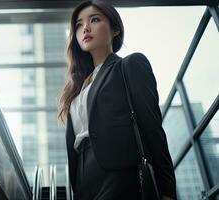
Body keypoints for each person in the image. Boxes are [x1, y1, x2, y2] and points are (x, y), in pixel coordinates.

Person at [57, 0, 176, 199]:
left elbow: (152, 127)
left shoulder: (129, 65)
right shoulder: (77, 87)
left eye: (94, 20)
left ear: (115, 30)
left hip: (121, 176)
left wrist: (167, 191)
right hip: (83, 181)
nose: (85, 28)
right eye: (78, 25)